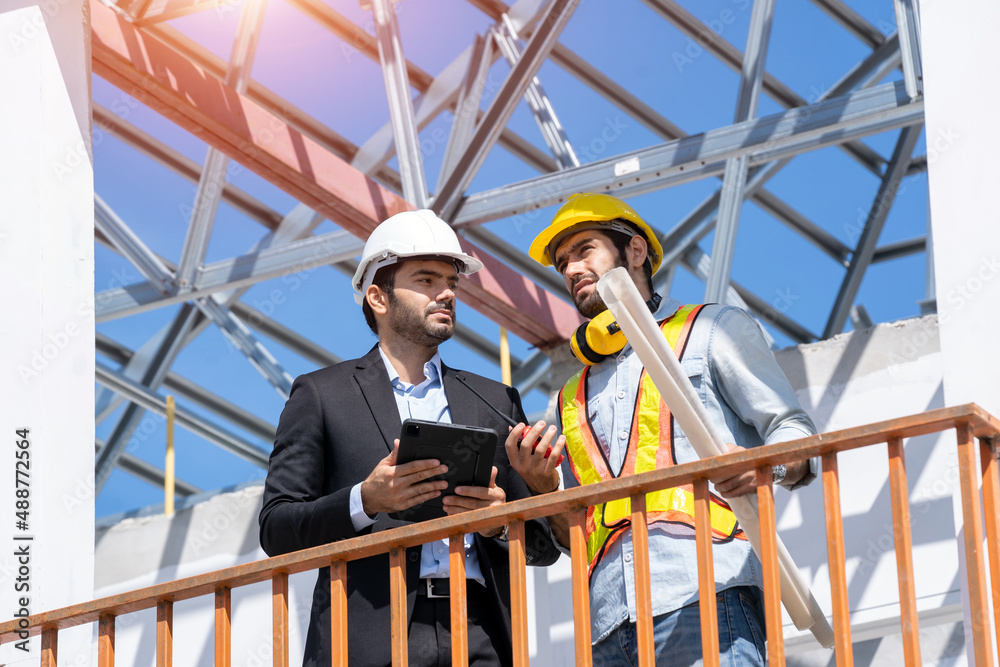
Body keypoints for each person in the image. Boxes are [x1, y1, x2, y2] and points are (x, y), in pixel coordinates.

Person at [507, 193, 818, 666]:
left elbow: (794, 433)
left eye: (584, 250)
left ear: (635, 251)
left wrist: (761, 466)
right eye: (563, 262)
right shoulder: (569, 398)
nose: (570, 269)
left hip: (706, 590)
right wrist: (543, 489)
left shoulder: (711, 329)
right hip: (608, 625)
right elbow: (581, 535)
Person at [259, 209, 559, 667]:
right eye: (426, 280)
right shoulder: (321, 395)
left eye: (451, 283)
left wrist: (502, 519)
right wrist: (367, 500)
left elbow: (542, 548)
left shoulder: (494, 399)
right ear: (377, 297)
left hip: (482, 634)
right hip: (370, 637)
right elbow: (277, 529)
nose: (446, 293)